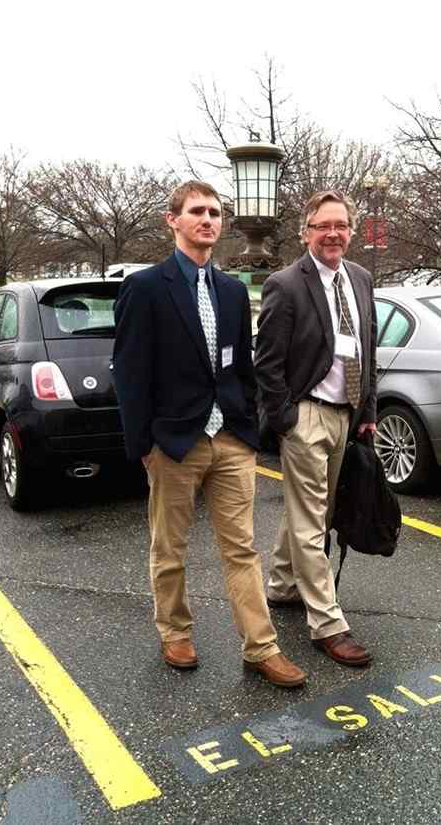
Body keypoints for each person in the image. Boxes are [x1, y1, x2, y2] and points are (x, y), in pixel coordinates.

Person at [112, 180, 306, 688]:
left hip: (231, 440)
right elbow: (130, 374)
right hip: (173, 442)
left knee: (242, 548)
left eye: (216, 213)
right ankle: (175, 631)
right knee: (169, 546)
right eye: (197, 211)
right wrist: (145, 448)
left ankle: (261, 647)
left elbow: (241, 364)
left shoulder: (232, 290)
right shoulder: (146, 288)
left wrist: (247, 426)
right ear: (172, 220)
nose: (208, 220)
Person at [255, 189, 377, 667]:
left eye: (341, 225)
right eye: (323, 226)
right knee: (313, 519)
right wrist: (285, 417)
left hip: (346, 414)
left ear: (350, 230)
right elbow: (267, 363)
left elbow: (366, 347)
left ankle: (283, 584)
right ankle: (327, 623)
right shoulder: (285, 284)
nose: (333, 234)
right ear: (306, 232)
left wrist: (367, 409)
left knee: (314, 510)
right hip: (305, 414)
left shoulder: (362, 279)